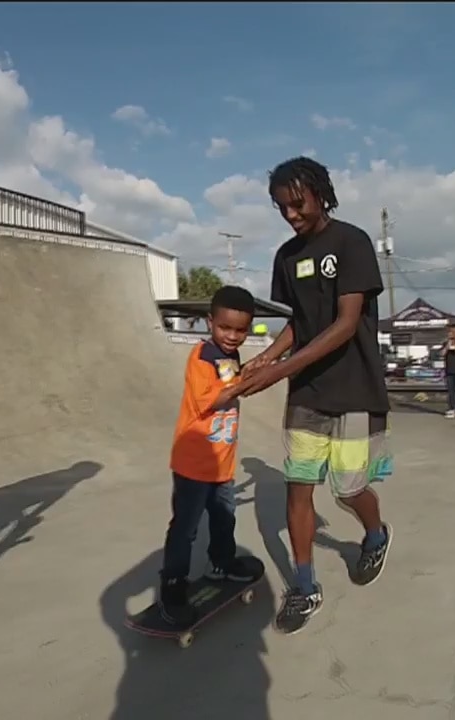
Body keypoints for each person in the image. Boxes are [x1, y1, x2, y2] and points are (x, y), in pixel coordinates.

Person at [237, 156, 394, 636]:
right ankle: (304, 586)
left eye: (297, 203)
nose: (291, 215)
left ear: (321, 194)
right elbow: (299, 324)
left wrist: (279, 370)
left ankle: (376, 534)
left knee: (347, 489)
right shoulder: (286, 257)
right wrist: (266, 357)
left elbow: (345, 325)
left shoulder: (351, 243)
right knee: (299, 487)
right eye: (281, 207)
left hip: (354, 390)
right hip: (307, 394)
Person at [159, 285, 266, 627]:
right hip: (193, 463)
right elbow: (214, 398)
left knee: (224, 519)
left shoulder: (229, 356)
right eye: (225, 328)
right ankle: (173, 585)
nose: (232, 336)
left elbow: (233, 382)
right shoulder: (202, 357)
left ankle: (221, 563)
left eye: (240, 330)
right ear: (210, 322)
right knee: (185, 528)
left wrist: (252, 370)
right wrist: (246, 382)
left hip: (222, 464)